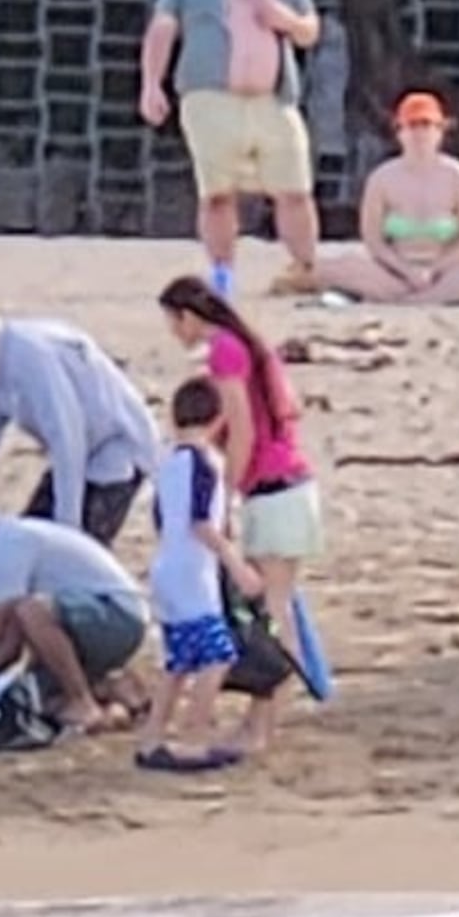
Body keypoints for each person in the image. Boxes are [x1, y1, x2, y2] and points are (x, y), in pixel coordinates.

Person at [158, 272, 320, 750]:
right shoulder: (245, 347)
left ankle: (261, 726)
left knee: (272, 613)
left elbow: (243, 430)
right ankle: (260, 723)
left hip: (271, 486)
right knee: (276, 607)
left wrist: (223, 496)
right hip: (285, 484)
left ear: (187, 317)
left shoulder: (225, 351)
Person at [140, 0, 324, 300]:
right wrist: (152, 84)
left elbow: (310, 30)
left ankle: (303, 269)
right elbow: (163, 28)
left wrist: (283, 20)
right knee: (218, 193)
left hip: (273, 98)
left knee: (295, 188)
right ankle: (223, 276)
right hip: (210, 97)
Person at [0, 303, 158, 544]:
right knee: (28, 543)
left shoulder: (28, 356)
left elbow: (67, 439)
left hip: (119, 446)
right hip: (79, 455)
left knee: (77, 556)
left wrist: (68, 528)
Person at [0, 482, 149, 734]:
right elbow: (9, 644)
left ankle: (82, 702)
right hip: (107, 616)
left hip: (117, 614)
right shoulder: (14, 539)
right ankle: (115, 693)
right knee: (35, 701)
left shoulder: (10, 543)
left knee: (29, 610)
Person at [138, 378, 264, 772]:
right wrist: (235, 564)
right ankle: (193, 737)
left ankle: (153, 736)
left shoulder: (169, 462)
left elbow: (163, 518)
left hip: (167, 568)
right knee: (217, 656)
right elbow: (201, 522)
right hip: (192, 573)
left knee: (179, 660)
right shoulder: (204, 463)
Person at [318, 92, 459, 307]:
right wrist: (406, 271)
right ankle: (410, 296)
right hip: (393, 270)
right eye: (412, 125)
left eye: (426, 125)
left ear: (441, 130)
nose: (419, 133)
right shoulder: (381, 178)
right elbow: (373, 240)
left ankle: (419, 299)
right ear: (399, 131)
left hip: (446, 271)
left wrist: (434, 270)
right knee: (332, 267)